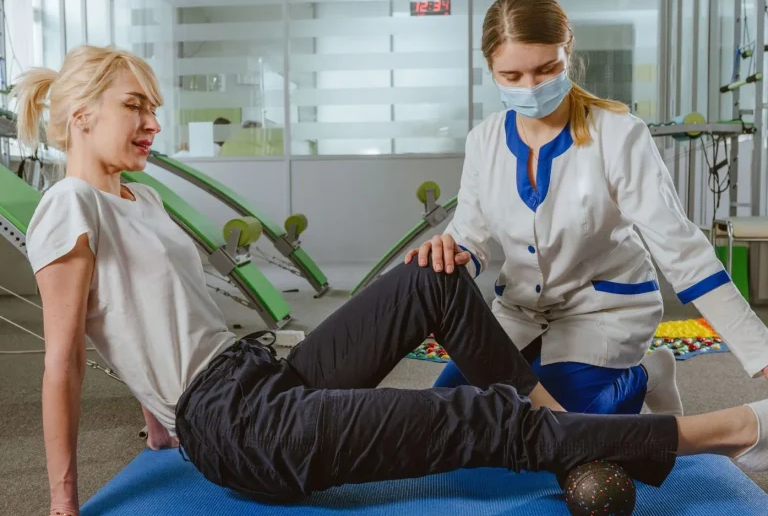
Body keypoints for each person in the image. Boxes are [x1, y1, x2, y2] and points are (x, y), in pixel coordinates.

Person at [13, 46, 768, 516]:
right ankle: (736, 431)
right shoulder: (66, 205)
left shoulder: (136, 196)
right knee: (478, 418)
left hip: (259, 374)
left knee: (428, 280)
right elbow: (63, 360)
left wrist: (156, 425)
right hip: (238, 429)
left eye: (154, 107)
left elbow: (149, 311)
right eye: (134, 106)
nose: (151, 121)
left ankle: (563, 430)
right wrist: (61, 501)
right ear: (80, 115)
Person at [408, 0, 768, 416]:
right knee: (451, 410)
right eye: (512, 76)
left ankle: (648, 373)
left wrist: (760, 353)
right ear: (491, 68)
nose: (531, 88)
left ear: (568, 53)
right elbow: (470, 235)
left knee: (558, 424)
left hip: (605, 308)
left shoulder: (617, 134)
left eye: (547, 70)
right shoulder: (483, 141)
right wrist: (452, 251)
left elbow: (681, 247)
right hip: (520, 310)